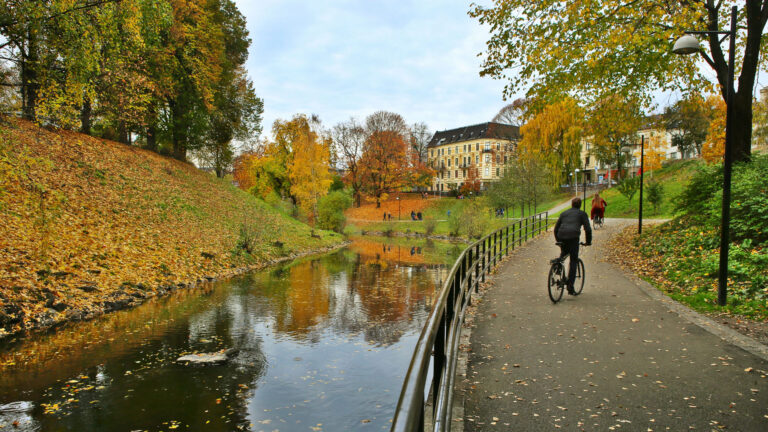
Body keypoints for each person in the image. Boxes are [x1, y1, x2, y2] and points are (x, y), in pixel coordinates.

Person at [554, 197, 592, 295]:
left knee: (564, 252)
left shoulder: (564, 213)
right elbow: (587, 229)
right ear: (580, 205)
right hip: (573, 237)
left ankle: (557, 266)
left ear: (571, 204)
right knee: (573, 260)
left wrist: (559, 241)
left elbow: (556, 228)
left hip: (561, 236)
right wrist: (588, 242)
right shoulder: (582, 214)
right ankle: (570, 287)